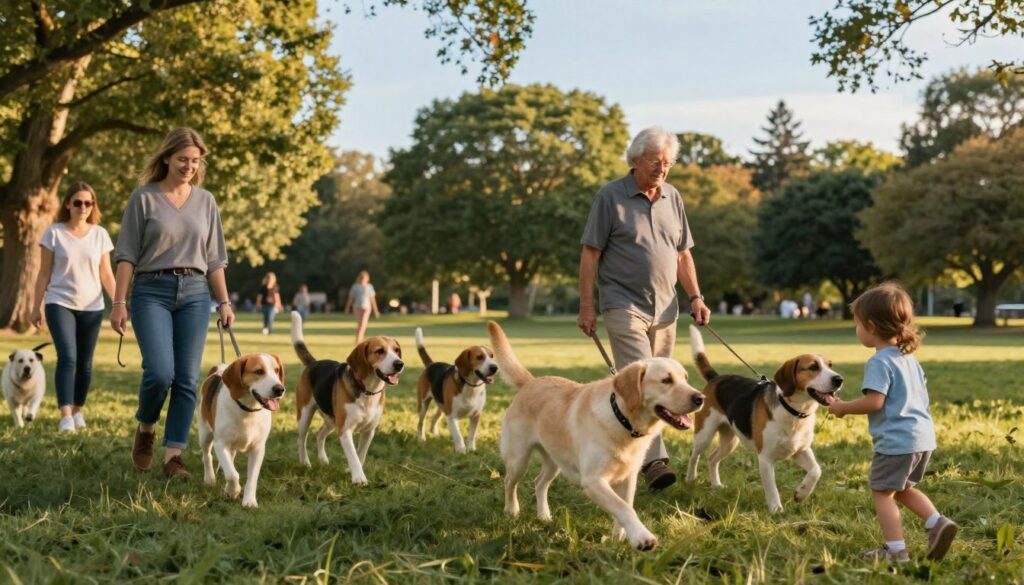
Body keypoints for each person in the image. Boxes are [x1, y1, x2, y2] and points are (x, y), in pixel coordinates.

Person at [578, 127, 711, 492]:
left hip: (666, 307)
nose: (662, 168)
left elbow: (683, 254)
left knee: (658, 387)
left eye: (667, 162)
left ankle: (631, 451)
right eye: (655, 161)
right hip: (623, 303)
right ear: (635, 160)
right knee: (642, 375)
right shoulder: (610, 197)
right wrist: (587, 304)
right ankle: (655, 462)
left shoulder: (673, 197)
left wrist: (696, 296)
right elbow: (591, 252)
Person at [111, 127, 234, 479]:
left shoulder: (206, 201)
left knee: (186, 380)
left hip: (195, 292)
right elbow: (127, 255)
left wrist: (223, 301)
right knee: (160, 372)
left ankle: (174, 456)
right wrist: (119, 302)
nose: (189, 166)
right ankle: (146, 427)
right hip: (151, 289)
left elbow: (214, 259)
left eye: (195, 161)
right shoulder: (144, 198)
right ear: (166, 157)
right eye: (183, 159)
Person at [827, 282, 958, 562]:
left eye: (858, 324)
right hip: (922, 439)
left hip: (897, 441)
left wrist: (842, 408)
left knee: (882, 492)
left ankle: (895, 550)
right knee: (902, 488)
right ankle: (937, 522)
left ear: (871, 326)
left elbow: (875, 402)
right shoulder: (908, 359)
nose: (857, 329)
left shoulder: (879, 361)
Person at [30, 182, 116, 433]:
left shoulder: (100, 234)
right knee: (68, 357)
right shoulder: (54, 233)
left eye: (88, 203)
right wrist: (36, 307)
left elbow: (107, 274)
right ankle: (66, 415)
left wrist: (119, 305)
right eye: (77, 202)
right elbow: (43, 273)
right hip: (60, 302)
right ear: (67, 204)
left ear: (93, 206)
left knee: (85, 363)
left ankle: (78, 409)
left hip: (93, 306)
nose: (83, 207)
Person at [344, 271, 380, 343]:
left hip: (367, 307)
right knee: (360, 324)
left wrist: (376, 310)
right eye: (362, 277)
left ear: (367, 278)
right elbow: (351, 298)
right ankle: (359, 339)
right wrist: (347, 308)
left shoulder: (369, 287)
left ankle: (359, 339)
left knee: (363, 324)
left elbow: (372, 299)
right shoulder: (355, 286)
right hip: (357, 307)